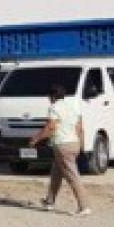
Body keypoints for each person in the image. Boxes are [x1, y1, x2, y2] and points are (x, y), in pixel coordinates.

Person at [29, 85, 90, 217]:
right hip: (74, 142)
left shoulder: (54, 108)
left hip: (62, 144)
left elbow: (51, 128)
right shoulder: (71, 107)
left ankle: (83, 206)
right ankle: (49, 201)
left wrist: (36, 138)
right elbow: (80, 128)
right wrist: (81, 145)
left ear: (52, 96)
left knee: (72, 176)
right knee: (56, 172)